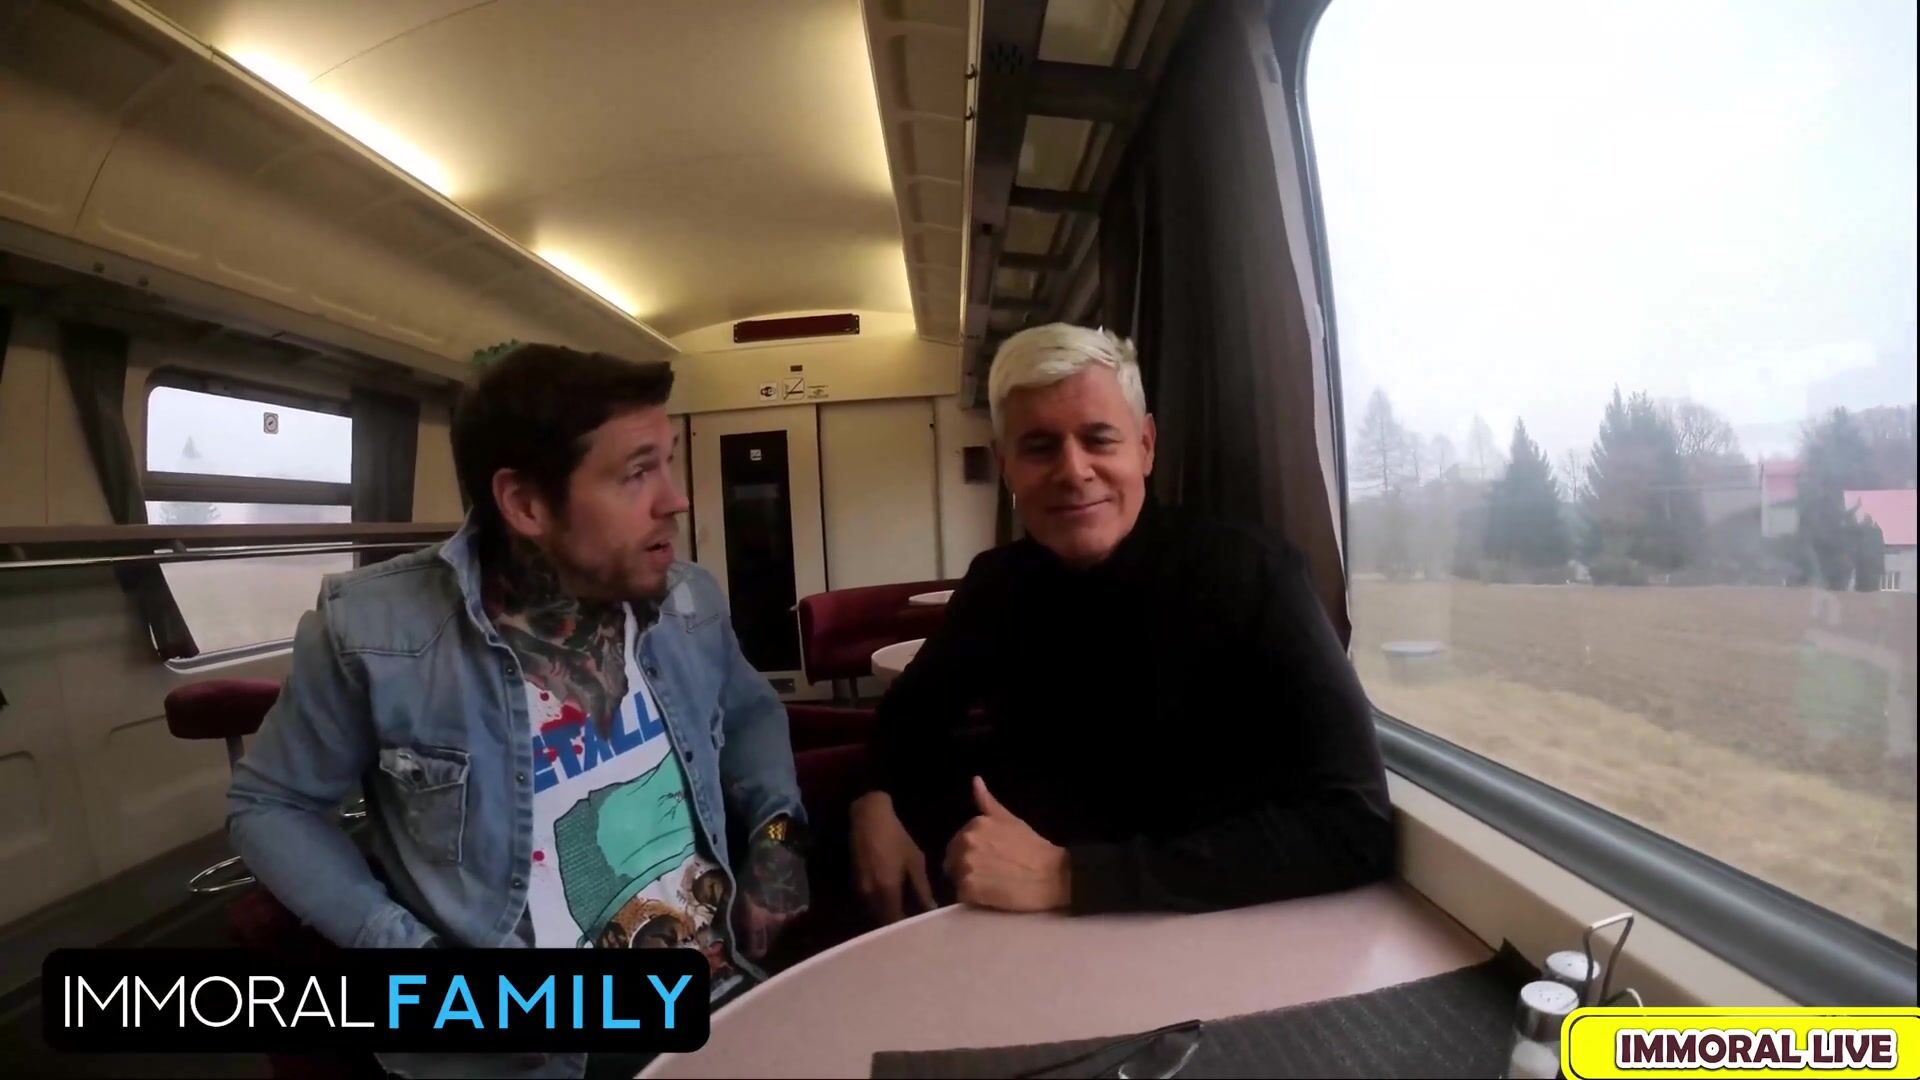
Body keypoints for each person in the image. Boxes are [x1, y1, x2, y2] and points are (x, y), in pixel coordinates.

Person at [229, 345, 808, 1079]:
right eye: (636, 473)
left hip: (719, 987)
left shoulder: (689, 599)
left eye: (667, 463)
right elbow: (270, 805)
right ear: (526, 504)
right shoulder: (376, 634)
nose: (675, 499)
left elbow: (752, 715)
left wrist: (778, 838)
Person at [851, 323, 1393, 922]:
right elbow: (910, 714)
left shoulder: (1251, 575)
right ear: (1006, 466)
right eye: (1040, 447)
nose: (1073, 470)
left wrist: (1069, 877)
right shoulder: (996, 584)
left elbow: (1356, 825)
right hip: (1027, 933)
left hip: (1213, 932)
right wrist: (877, 798)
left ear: (1146, 446)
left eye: (1099, 439)